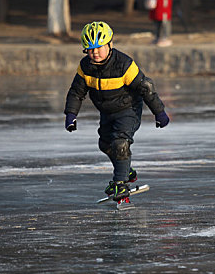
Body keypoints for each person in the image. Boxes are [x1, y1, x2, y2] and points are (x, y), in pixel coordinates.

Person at [64, 21, 170, 204]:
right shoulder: (85, 67)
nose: (95, 52)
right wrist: (71, 115)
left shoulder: (124, 64)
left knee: (120, 143)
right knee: (105, 145)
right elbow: (76, 92)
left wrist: (159, 113)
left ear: (110, 45)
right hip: (107, 112)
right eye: (90, 49)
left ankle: (120, 183)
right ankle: (125, 170)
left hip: (128, 109)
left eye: (99, 47)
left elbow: (146, 88)